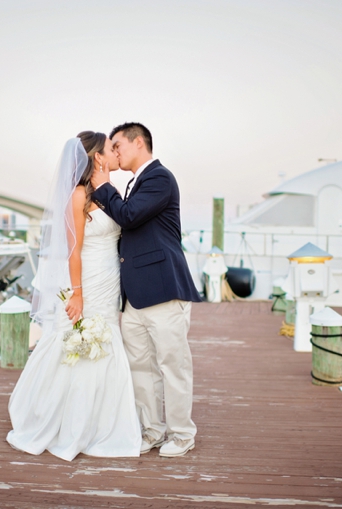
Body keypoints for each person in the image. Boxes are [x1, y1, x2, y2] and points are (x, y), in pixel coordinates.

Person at [6, 132, 141, 461]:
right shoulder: (78, 196)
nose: (114, 152)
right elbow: (73, 251)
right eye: (110, 148)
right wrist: (77, 294)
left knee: (107, 343)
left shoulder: (110, 194)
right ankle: (66, 423)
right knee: (79, 341)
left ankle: (100, 424)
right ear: (97, 157)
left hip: (111, 278)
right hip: (87, 278)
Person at [90, 122, 202, 458]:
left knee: (173, 364)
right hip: (135, 295)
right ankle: (152, 431)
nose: (116, 153)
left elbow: (130, 216)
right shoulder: (135, 183)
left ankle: (182, 434)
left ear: (139, 143)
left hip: (164, 289)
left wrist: (102, 185)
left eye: (119, 145)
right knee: (141, 366)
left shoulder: (159, 178)